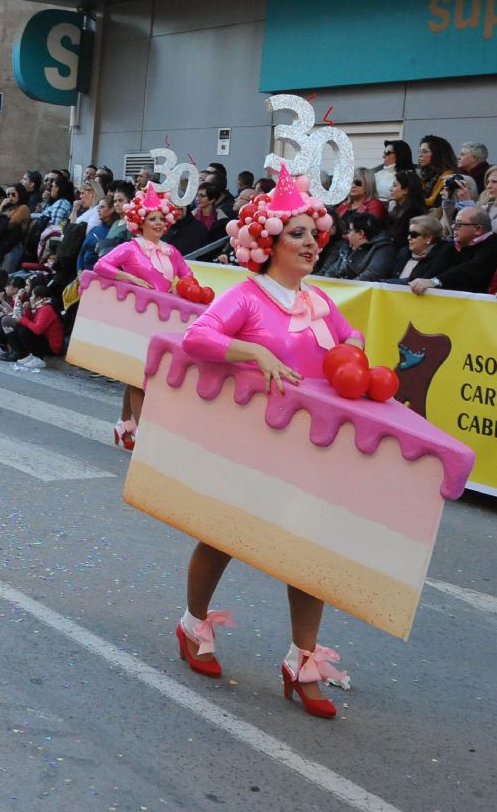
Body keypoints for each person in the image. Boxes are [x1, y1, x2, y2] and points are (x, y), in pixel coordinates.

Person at [178, 167, 357, 719]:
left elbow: (350, 351)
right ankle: (192, 624)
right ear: (267, 242)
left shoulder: (321, 303)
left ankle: (301, 661)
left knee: (310, 552)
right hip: (251, 440)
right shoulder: (247, 297)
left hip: (310, 446)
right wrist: (253, 353)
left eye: (313, 234)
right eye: (297, 234)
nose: (310, 243)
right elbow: (196, 337)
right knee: (225, 537)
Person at [94, 184, 192, 450]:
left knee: (139, 374)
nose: (159, 223)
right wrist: (130, 278)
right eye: (153, 219)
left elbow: (188, 276)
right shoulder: (130, 248)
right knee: (140, 376)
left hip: (162, 320)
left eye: (162, 218)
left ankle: (124, 422)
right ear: (140, 221)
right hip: (136, 318)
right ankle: (143, 435)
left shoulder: (172, 252)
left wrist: (179, 287)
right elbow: (101, 265)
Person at [410, 208, 497, 295]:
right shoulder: (452, 246)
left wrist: (435, 282)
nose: (453, 227)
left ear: (478, 229)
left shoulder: (495, 247)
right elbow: (431, 274)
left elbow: (470, 271)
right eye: (454, 222)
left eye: (459, 224)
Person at [385, 214, 454, 283]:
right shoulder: (403, 253)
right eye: (408, 234)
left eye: (413, 235)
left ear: (429, 238)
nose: (408, 238)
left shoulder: (442, 257)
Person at [417, 135, 459, 208]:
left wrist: (410, 199)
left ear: (438, 154)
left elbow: (433, 201)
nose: (420, 155)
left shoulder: (448, 174)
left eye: (425, 152)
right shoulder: (424, 173)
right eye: (419, 152)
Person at [386, 170, 427, 245]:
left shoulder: (415, 214)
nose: (390, 189)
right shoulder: (396, 209)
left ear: (406, 190)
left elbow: (400, 241)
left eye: (394, 185)